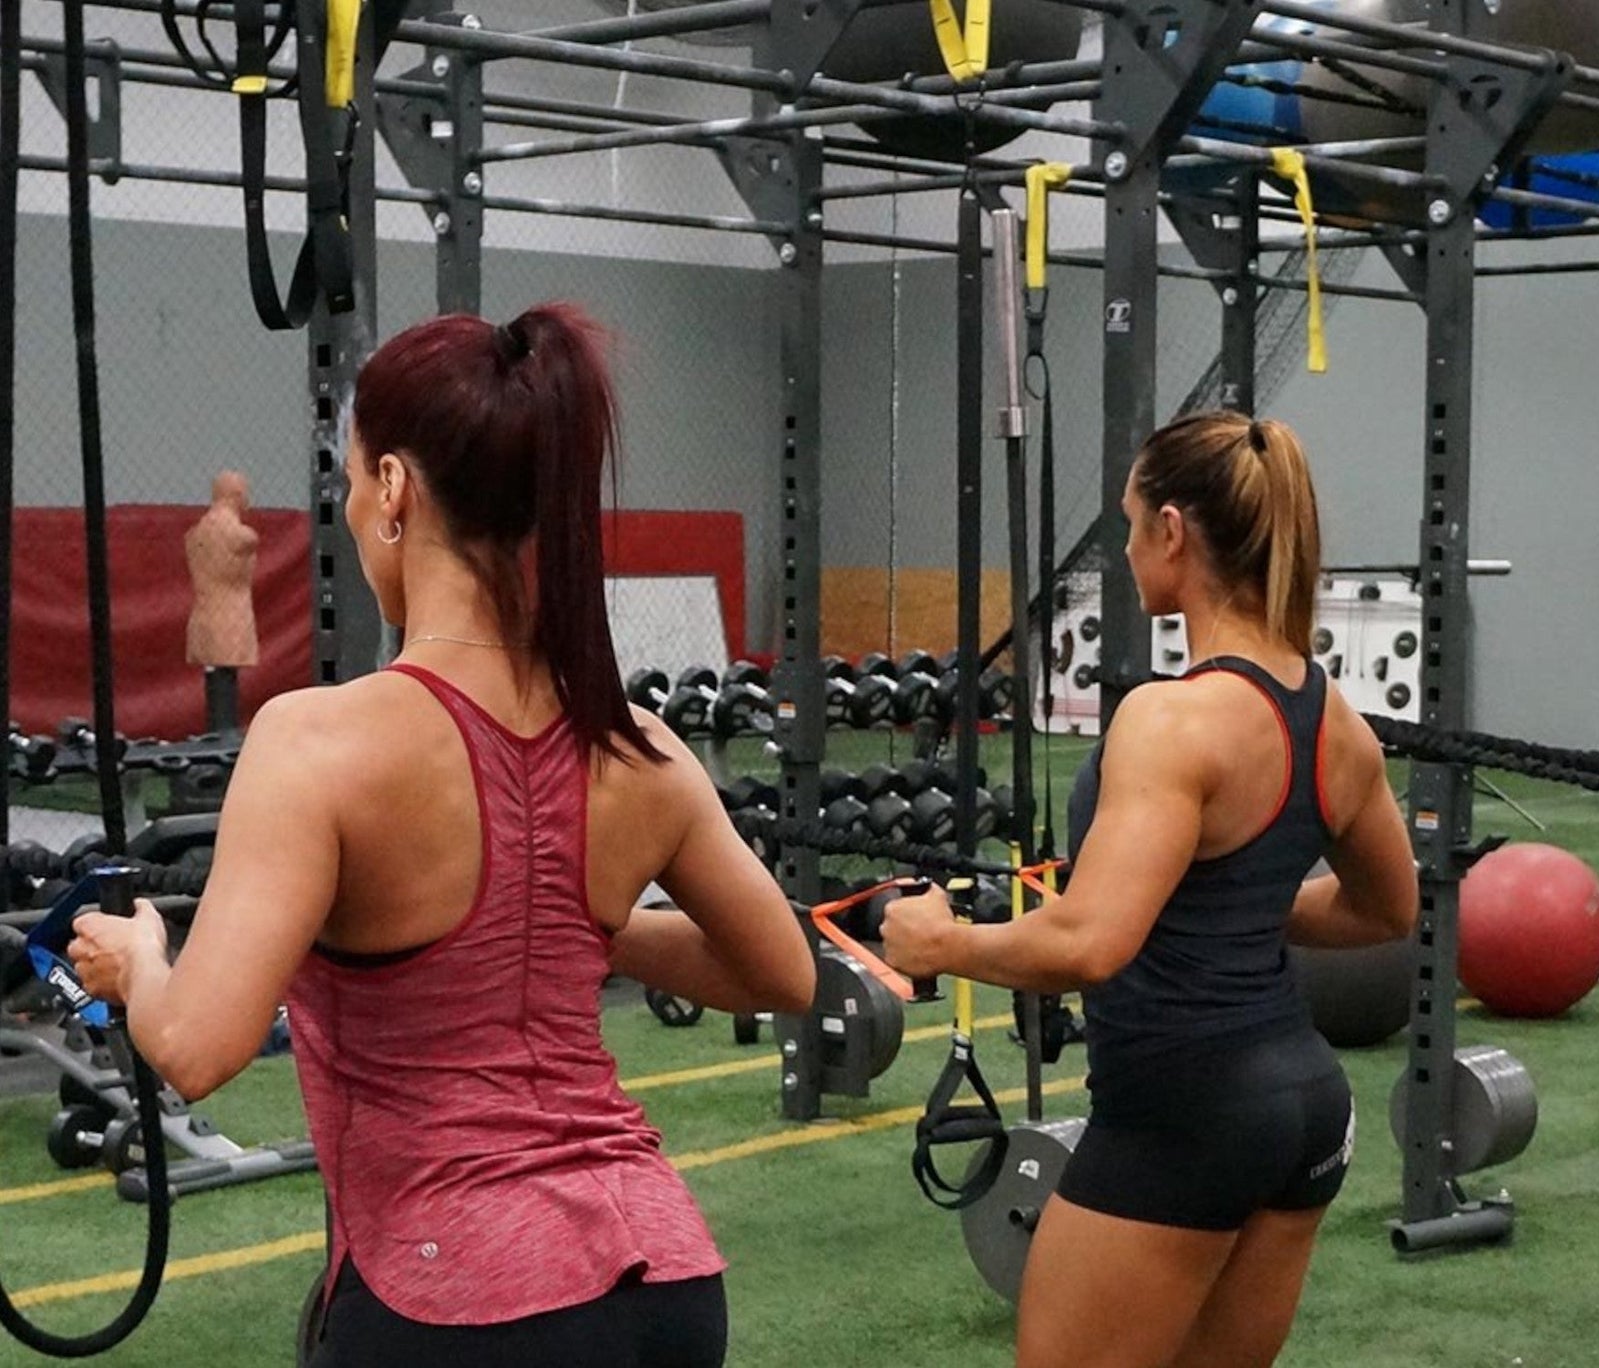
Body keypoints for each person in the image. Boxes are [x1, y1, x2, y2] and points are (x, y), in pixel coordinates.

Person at [67, 304, 816, 1368]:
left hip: (459, 1300)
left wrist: (141, 961)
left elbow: (194, 1047)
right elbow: (783, 970)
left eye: (350, 479)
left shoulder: (317, 740)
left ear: (394, 491)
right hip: (664, 1281)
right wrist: (561, 915)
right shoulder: (636, 744)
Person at [882, 410, 1420, 1368]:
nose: (1128, 548)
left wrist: (942, 943)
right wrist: (1226, 913)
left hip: (1185, 1113)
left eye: (1131, 524)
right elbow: (1389, 911)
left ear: (1173, 532)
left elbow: (1089, 943)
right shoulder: (1334, 720)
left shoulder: (1168, 720)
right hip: (1302, 1104)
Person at [184, 469, 261, 731]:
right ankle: (224, 734)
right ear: (236, 494)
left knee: (217, 677)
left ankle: (219, 729)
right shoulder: (241, 536)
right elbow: (248, 540)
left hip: (204, 614)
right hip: (230, 618)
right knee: (224, 681)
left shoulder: (196, 533)